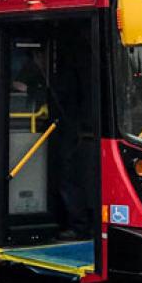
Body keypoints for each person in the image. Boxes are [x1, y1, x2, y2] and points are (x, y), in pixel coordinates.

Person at [49, 29, 93, 241]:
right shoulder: (94, 61)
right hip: (86, 128)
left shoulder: (69, 65)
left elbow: (61, 94)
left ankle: (78, 226)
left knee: (69, 178)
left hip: (72, 128)